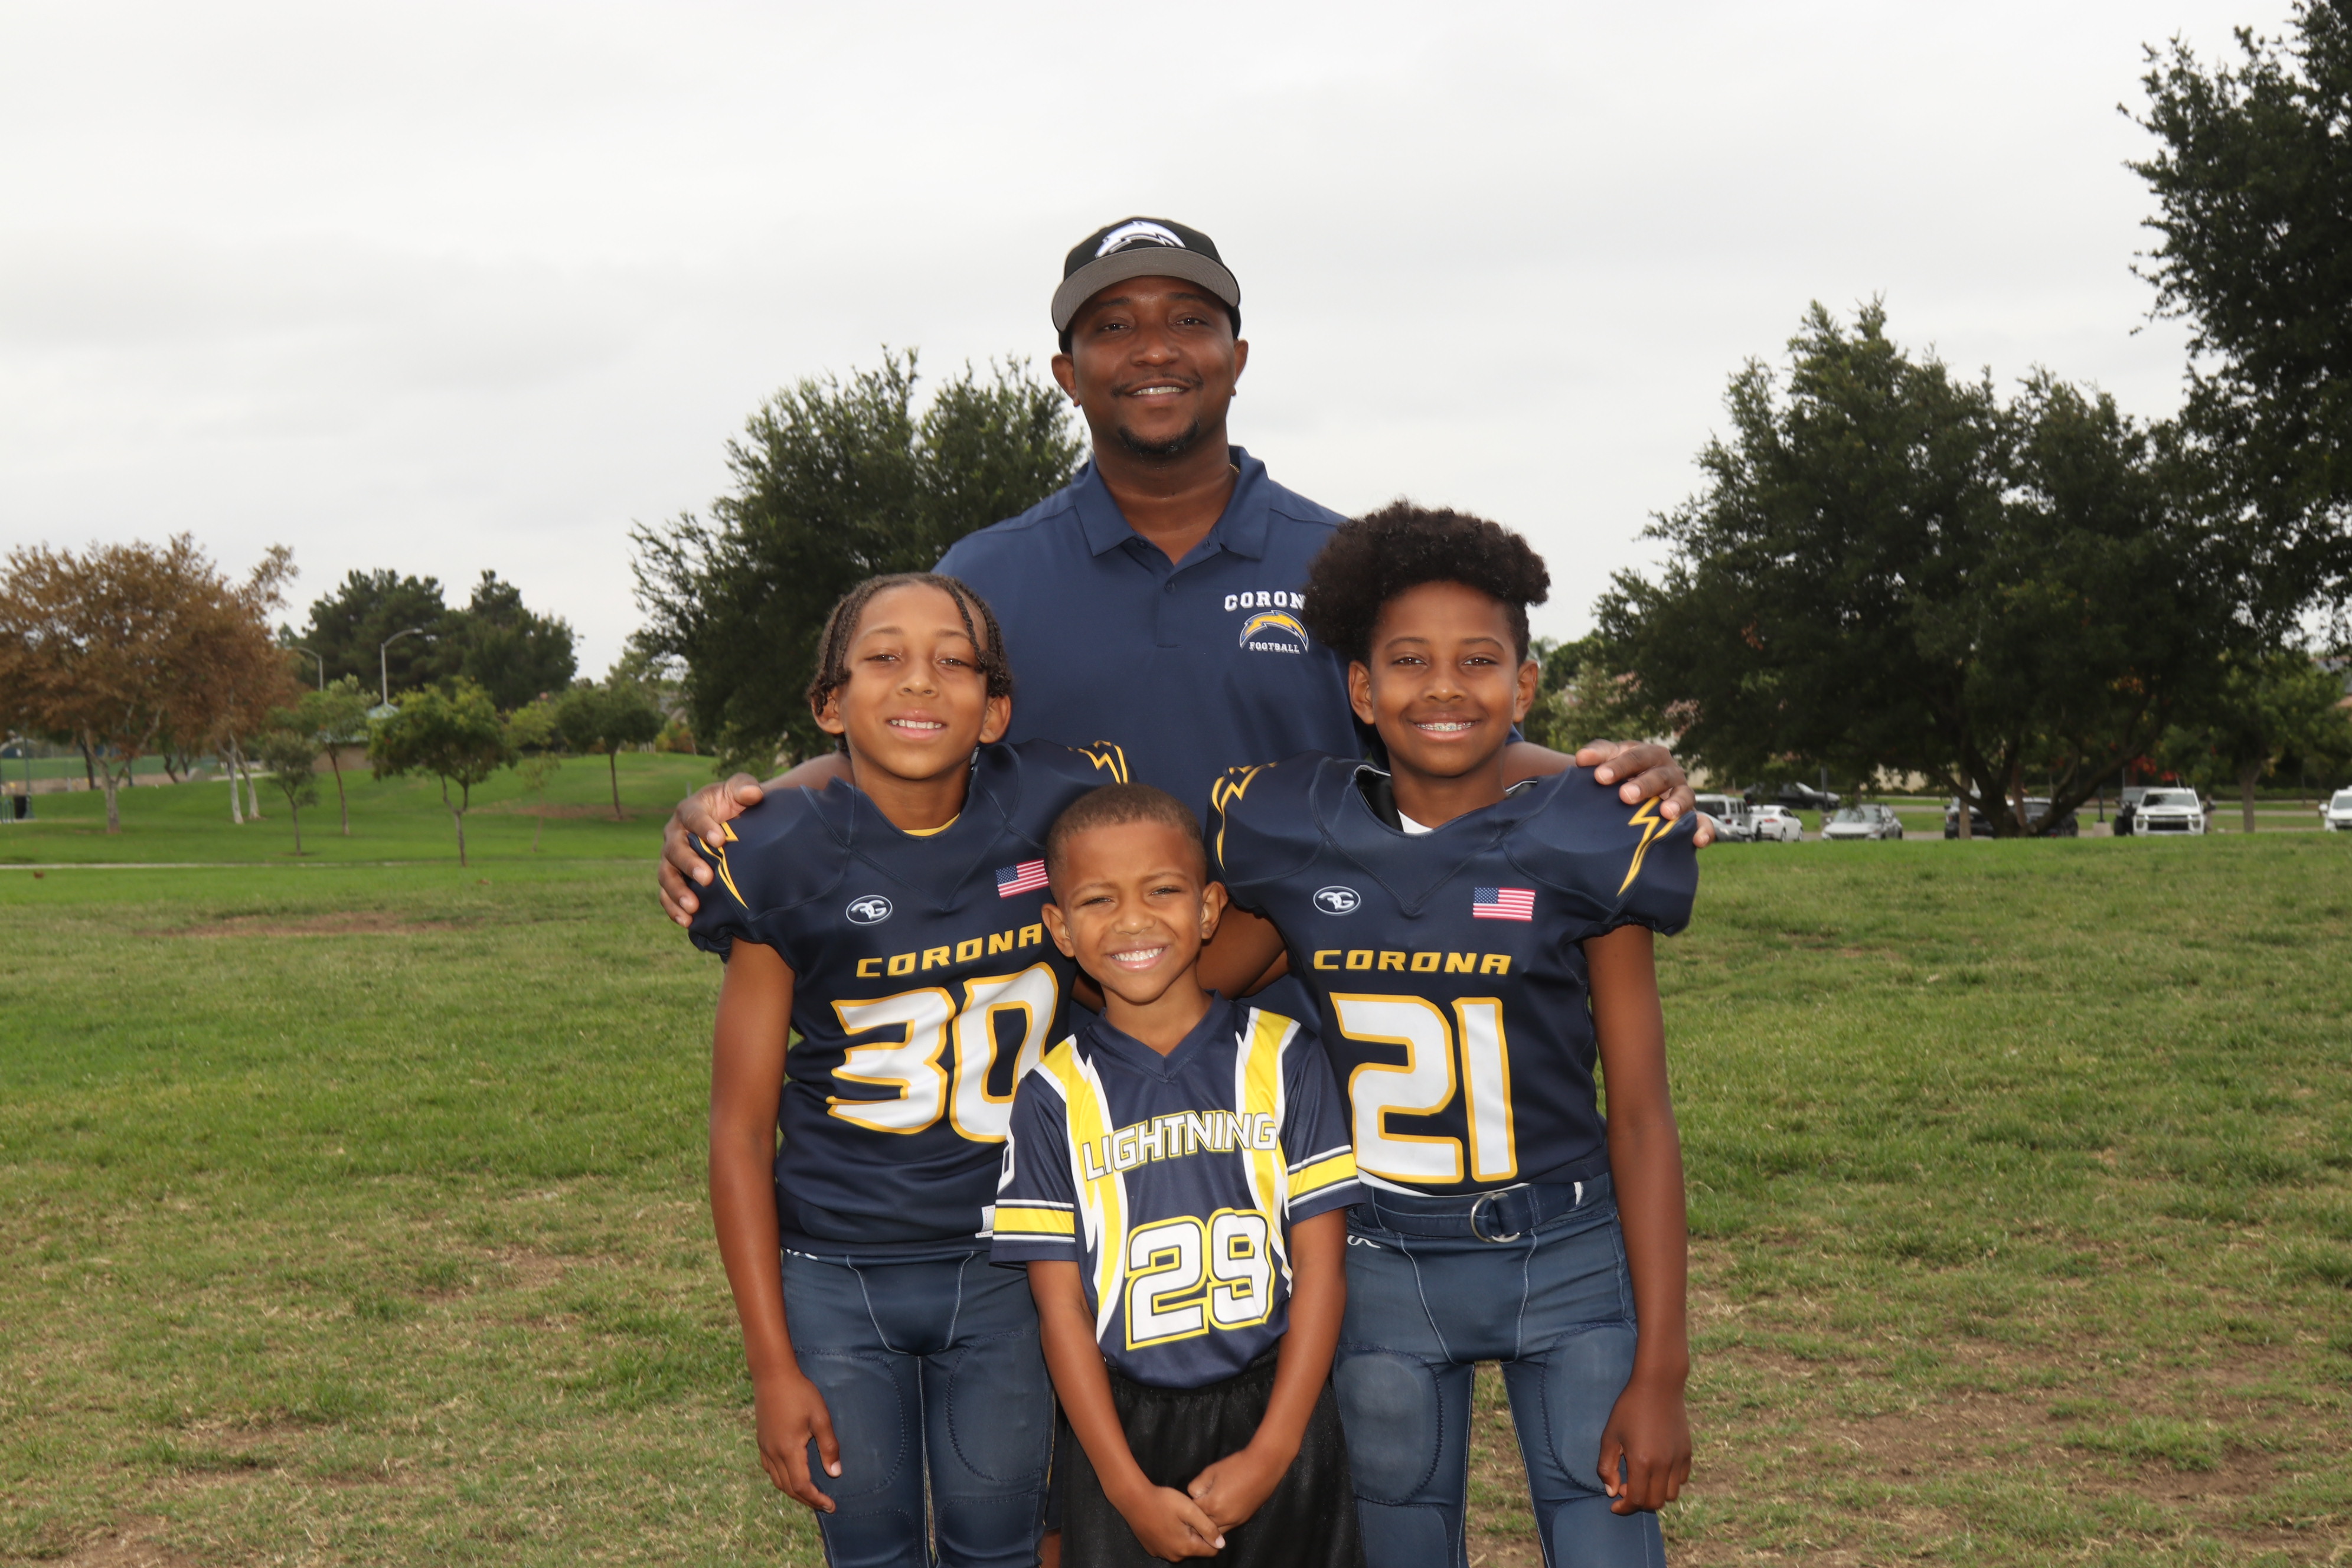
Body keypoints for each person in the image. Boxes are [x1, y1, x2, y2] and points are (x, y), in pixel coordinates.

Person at [656, 214, 1706, 932]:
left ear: (1236, 359)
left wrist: (1611, 780)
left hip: (1312, 1031)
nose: (1154, 349)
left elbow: (1453, 744)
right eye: (1113, 326)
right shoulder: (983, 575)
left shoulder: (1349, 564)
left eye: (1190, 321)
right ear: (1068, 373)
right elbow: (903, 747)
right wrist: (738, 807)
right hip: (1065, 1045)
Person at [1197, 504, 1697, 1568]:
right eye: (1409, 660)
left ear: (1524, 686)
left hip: (1566, 1248)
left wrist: (1663, 1370)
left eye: (1478, 660)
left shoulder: (1589, 835)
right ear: (1360, 689)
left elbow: (1643, 1116)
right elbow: (1183, 992)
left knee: (1607, 1547)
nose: (1443, 687)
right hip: (1381, 1258)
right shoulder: (1297, 840)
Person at [690, 571, 1133, 1568]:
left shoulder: (1062, 808)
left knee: (1000, 1546)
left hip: (1013, 1261)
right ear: (830, 703)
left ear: (997, 709)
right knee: (869, 1551)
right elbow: (739, 1129)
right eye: (883, 657)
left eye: (952, 661)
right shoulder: (779, 854)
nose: (919, 681)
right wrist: (770, 1366)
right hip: (837, 1269)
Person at [992, 783, 1364, 1567]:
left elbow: (1322, 1273)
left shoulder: (1286, 1058)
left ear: (1209, 909)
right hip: (1123, 1425)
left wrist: (1273, 1452)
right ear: (1059, 928)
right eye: (1098, 900)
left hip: (1278, 1405)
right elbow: (1061, 1312)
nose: (1133, 921)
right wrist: (1126, 1490)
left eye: (1162, 890)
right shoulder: (1052, 1095)